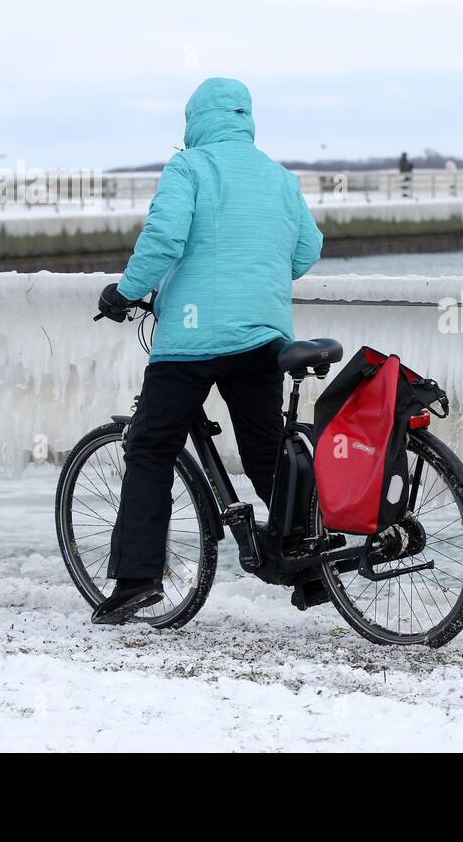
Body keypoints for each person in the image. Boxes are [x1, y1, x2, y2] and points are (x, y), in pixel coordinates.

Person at [94, 77, 323, 624]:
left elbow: (166, 238)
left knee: (150, 446)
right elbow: (308, 248)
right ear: (245, 119)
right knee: (267, 451)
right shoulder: (278, 176)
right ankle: (312, 566)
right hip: (262, 336)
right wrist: (261, 279)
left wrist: (125, 293)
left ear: (195, 120)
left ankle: (137, 580)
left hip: (190, 342)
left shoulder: (189, 168)